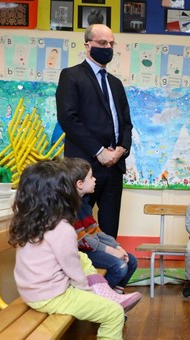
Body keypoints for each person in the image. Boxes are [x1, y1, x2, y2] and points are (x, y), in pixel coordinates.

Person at [8, 160, 141, 339]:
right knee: (114, 313)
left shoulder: (29, 220)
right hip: (52, 295)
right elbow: (72, 269)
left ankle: (107, 293)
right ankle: (106, 296)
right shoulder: (61, 228)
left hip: (31, 291)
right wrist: (87, 292)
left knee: (82, 257)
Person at [56, 23, 133, 239]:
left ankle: (109, 272)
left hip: (114, 167)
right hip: (83, 167)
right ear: (87, 45)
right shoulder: (71, 76)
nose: (107, 47)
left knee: (110, 231)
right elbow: (68, 119)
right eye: (102, 43)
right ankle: (81, 273)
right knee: (78, 229)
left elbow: (126, 123)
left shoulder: (116, 84)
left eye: (111, 43)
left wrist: (121, 149)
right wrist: (100, 151)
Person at [62, 157, 138, 293]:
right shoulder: (67, 209)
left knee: (131, 261)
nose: (95, 180)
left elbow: (95, 231)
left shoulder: (84, 204)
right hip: (82, 252)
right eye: (91, 177)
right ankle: (102, 297)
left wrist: (116, 246)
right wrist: (110, 251)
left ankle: (116, 295)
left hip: (91, 248)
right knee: (119, 266)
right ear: (79, 184)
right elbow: (82, 240)